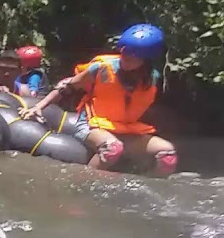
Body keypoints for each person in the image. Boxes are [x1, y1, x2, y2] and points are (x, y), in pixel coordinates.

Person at [19, 24, 177, 176]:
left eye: (132, 56)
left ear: (146, 60)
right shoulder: (102, 68)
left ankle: (148, 184)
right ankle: (85, 183)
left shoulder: (151, 79)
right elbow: (66, 87)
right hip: (91, 125)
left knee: (168, 155)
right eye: (124, 52)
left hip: (125, 130)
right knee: (112, 148)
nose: (125, 57)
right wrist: (38, 107)